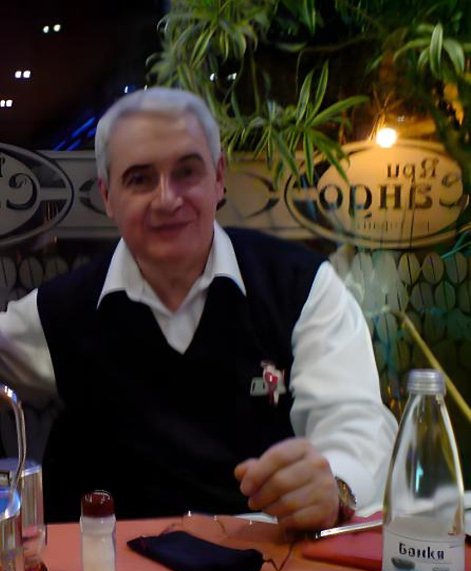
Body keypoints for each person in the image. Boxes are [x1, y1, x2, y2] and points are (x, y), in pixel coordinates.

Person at [0, 87, 397, 528]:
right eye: (140, 179)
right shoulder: (61, 310)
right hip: (106, 560)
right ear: (107, 195)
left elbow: (355, 424)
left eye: (186, 172)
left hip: (264, 555)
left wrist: (334, 486)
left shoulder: (301, 286)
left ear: (219, 177)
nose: (167, 198)